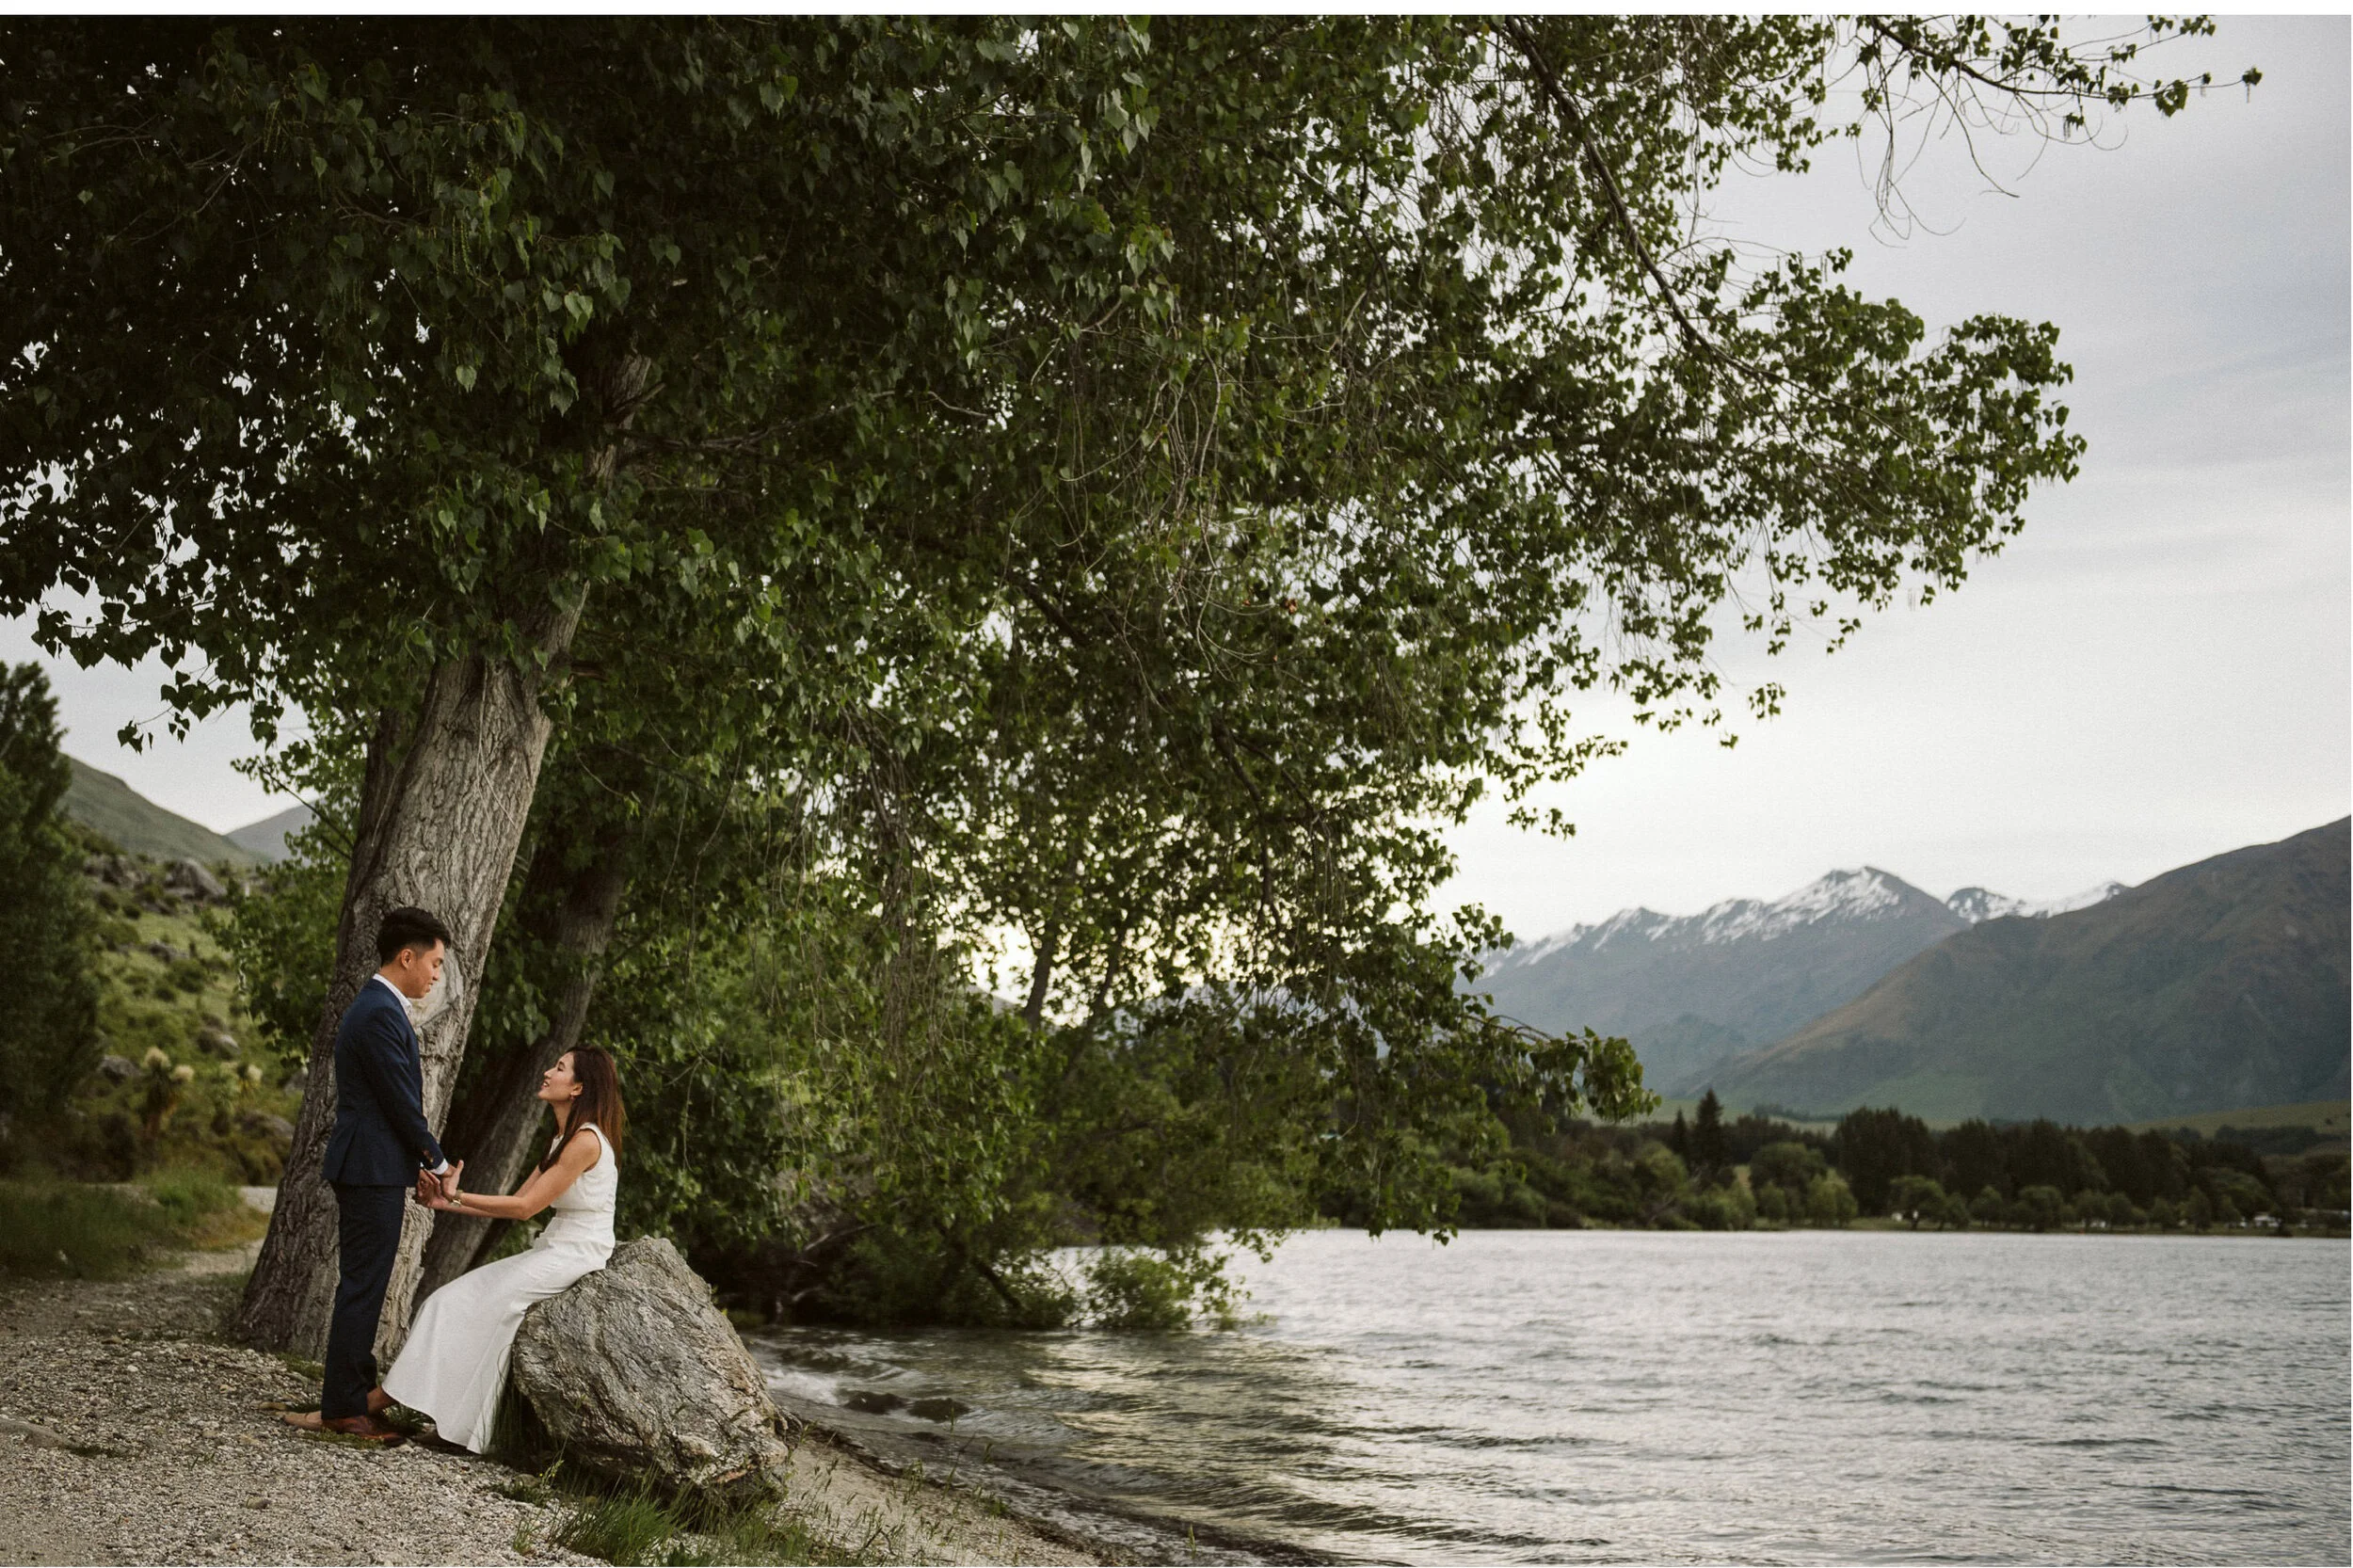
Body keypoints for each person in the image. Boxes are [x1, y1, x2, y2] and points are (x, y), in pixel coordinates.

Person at [375, 1046, 625, 1452]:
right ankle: (449, 1424)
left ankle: (385, 1404)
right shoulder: (561, 1139)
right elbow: (517, 1202)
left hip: (578, 1253)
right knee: (447, 1302)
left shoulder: (586, 1141)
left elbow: (526, 1209)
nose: (548, 1072)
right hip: (554, 1248)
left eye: (559, 1068)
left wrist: (455, 1197)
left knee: (477, 1307)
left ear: (578, 1088)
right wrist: (446, 1202)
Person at [283, 905, 460, 1443]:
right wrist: (437, 1162)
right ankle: (344, 1408)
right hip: (368, 1167)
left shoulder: (379, 1007)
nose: (436, 975)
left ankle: (354, 1397)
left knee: (367, 1283)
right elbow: (399, 1102)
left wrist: (416, 1162)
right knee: (363, 1286)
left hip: (374, 1165)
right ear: (406, 957)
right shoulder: (380, 1012)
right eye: (434, 963)